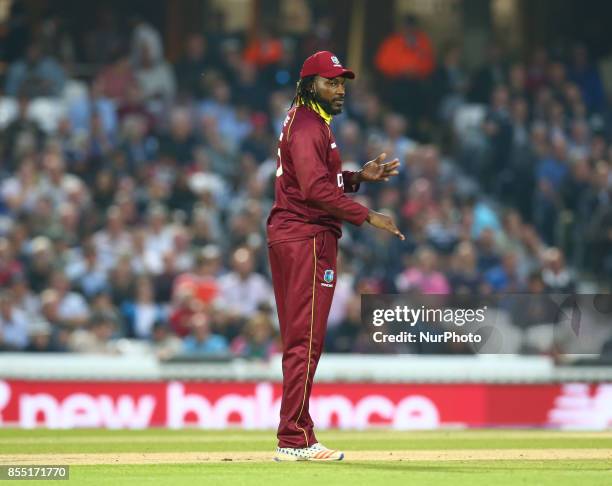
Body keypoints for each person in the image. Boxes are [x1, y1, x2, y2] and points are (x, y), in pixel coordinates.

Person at [266, 51, 404, 462]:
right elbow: (314, 190)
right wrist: (369, 217)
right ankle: (293, 439)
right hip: (306, 236)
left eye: (342, 82)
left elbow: (319, 180)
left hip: (293, 235)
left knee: (301, 340)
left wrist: (358, 178)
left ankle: (298, 434)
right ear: (310, 85)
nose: (339, 89)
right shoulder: (310, 125)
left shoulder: (307, 120)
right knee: (305, 341)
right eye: (330, 82)